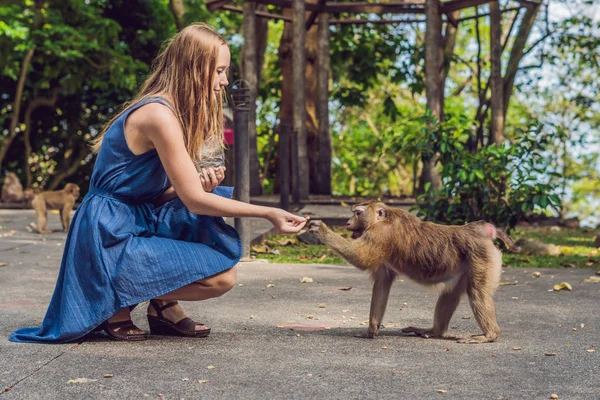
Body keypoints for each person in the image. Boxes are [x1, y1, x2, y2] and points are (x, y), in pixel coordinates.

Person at [10, 23, 307, 344]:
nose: (224, 80)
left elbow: (164, 194)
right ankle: (114, 300)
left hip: (138, 216)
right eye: (219, 70)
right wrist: (268, 213)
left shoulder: (176, 113)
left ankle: (161, 306)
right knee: (220, 274)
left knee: (218, 260)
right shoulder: (158, 115)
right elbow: (191, 200)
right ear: (194, 68)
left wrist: (198, 188)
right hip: (108, 231)